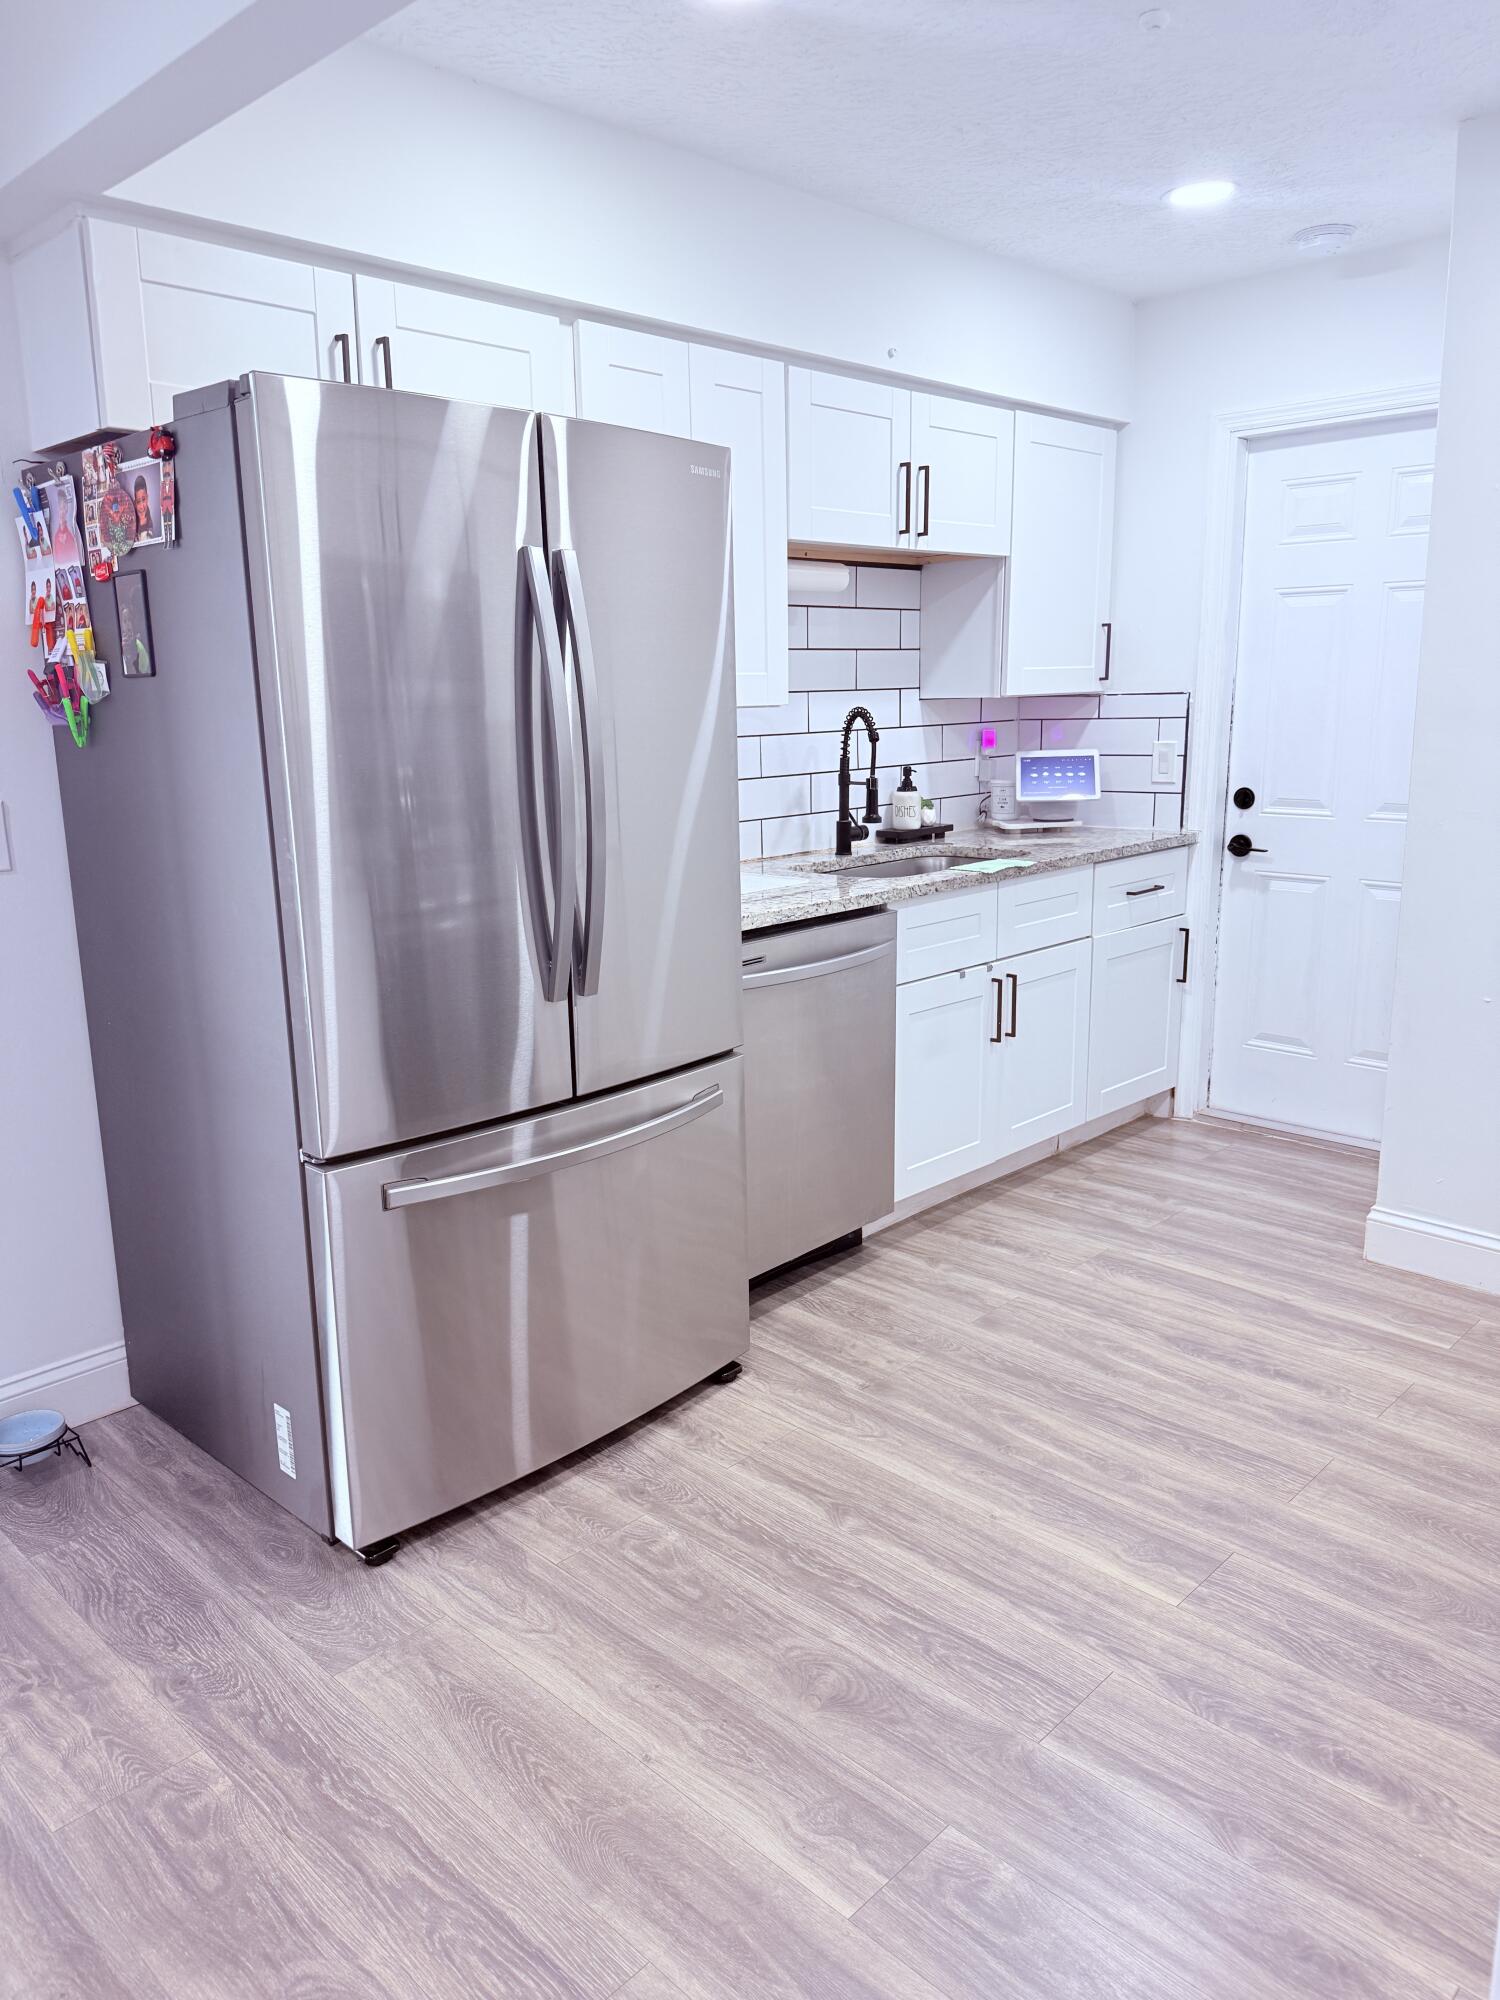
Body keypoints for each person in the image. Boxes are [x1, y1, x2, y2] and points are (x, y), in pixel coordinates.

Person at [132, 474, 156, 542]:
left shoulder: (149, 524)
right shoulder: (131, 516)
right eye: (138, 501)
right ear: (134, 502)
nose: (142, 506)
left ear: (147, 498)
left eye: (144, 499)